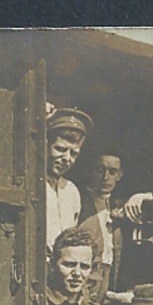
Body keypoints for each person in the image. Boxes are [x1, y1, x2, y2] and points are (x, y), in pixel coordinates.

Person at [75, 148, 153, 304]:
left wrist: (142, 196)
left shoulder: (120, 204)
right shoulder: (78, 200)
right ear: (89, 170)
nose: (106, 177)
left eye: (112, 172)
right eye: (100, 170)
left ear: (120, 175)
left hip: (112, 280)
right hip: (86, 278)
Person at [44, 106, 92, 251]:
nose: (66, 158)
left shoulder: (72, 191)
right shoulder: (35, 184)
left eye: (74, 153)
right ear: (46, 145)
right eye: (60, 149)